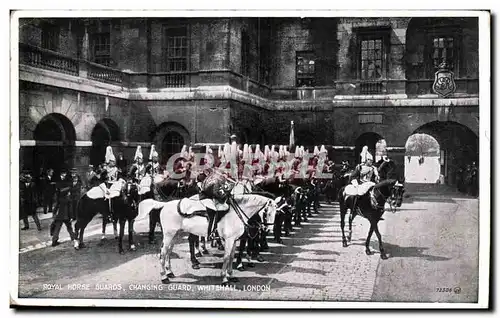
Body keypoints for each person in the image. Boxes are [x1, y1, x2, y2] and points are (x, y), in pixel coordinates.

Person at [346, 150, 380, 214]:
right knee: (356, 195)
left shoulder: (373, 168)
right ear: (366, 160)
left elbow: (376, 177)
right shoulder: (360, 167)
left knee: (376, 195)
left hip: (370, 184)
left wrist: (377, 177)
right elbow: (353, 176)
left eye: (372, 161)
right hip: (361, 184)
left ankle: (376, 210)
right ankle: (353, 209)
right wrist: (355, 182)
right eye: (370, 160)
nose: (371, 162)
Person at [199, 170, 231, 240]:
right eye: (225, 177)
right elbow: (216, 193)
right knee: (214, 213)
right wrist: (224, 195)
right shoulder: (217, 181)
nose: (226, 178)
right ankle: (210, 233)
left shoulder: (219, 181)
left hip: (210, 197)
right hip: (205, 198)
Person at [50, 168, 75, 246]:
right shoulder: (67, 198)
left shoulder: (59, 192)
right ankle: (73, 237)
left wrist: (54, 213)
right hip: (65, 213)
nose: (64, 175)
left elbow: (56, 203)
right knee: (68, 226)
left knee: (58, 227)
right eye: (63, 174)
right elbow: (69, 207)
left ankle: (54, 241)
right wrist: (71, 216)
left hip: (60, 213)